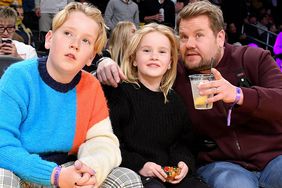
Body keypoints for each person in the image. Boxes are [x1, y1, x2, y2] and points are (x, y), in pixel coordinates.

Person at [95, 1, 282, 188]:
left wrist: (239, 94)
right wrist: (103, 61)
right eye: (183, 37)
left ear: (220, 37)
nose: (190, 44)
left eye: (199, 35)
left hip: (273, 158)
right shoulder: (174, 72)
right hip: (222, 165)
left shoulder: (252, 58)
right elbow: (144, 69)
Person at [0, 2, 143, 188]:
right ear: (49, 39)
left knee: (126, 177)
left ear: (91, 57)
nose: (75, 44)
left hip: (69, 170)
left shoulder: (91, 86)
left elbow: (102, 140)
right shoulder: (18, 76)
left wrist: (89, 169)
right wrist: (54, 175)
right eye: (68, 33)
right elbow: (2, 143)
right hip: (21, 169)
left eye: (86, 41)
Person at [103, 22, 209, 188]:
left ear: (169, 63)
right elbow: (109, 143)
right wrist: (140, 165)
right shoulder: (121, 93)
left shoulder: (175, 101)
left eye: (162, 51)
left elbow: (183, 144)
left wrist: (183, 163)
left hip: (167, 174)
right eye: (146, 50)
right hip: (134, 172)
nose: (154, 56)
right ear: (134, 59)